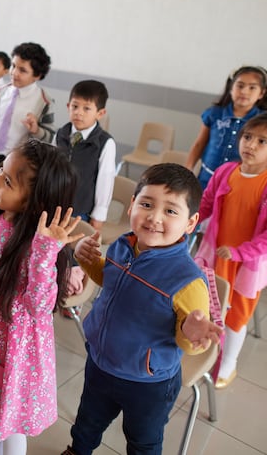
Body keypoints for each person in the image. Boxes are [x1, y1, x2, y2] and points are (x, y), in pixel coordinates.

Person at [62, 163, 223, 455]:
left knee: (143, 441)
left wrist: (190, 331)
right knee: (87, 420)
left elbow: (190, 344)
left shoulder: (187, 281)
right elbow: (111, 278)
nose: (154, 217)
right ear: (131, 205)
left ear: (190, 223)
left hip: (147, 382)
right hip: (101, 361)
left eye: (170, 210)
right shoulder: (124, 245)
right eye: (146, 204)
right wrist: (88, 260)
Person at [0, 140, 81, 455]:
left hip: (17, 351)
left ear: (34, 201)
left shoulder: (37, 243)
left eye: (7, 181)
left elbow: (39, 305)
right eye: (0, 171)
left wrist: (46, 252)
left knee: (11, 421)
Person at [194, 113, 267, 389]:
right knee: (208, 302)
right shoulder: (226, 171)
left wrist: (241, 252)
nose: (250, 144)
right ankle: (205, 349)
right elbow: (206, 203)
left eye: (262, 141)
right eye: (248, 137)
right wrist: (188, 222)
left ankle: (229, 363)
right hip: (217, 254)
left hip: (249, 263)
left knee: (237, 315)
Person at [186, 65, 267, 189]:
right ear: (231, 88)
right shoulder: (214, 113)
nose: (244, 91)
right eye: (240, 86)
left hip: (239, 183)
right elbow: (199, 144)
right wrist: (188, 169)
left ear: (261, 93)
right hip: (207, 179)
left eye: (252, 87)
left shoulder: (264, 121)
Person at [0, 42, 56, 170]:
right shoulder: (0, 92)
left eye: (22, 70)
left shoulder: (44, 102)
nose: (14, 72)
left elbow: (50, 138)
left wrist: (36, 130)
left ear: (37, 75)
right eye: (13, 66)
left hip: (18, 163)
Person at [55, 80, 115, 231]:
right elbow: (50, 168)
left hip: (81, 209)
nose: (78, 112)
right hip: (54, 204)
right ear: (68, 106)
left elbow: (105, 180)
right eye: (75, 106)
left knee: (75, 243)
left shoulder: (105, 143)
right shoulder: (60, 135)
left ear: (100, 113)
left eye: (86, 108)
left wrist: (99, 215)